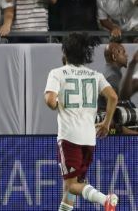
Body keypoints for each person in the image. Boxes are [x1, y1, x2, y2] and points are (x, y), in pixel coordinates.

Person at [44, 33, 119, 211]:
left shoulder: (57, 73)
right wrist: (106, 124)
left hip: (69, 137)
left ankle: (105, 200)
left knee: (71, 185)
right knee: (72, 186)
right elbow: (113, 97)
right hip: (89, 138)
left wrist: (55, 104)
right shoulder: (96, 75)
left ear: (65, 53)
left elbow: (49, 100)